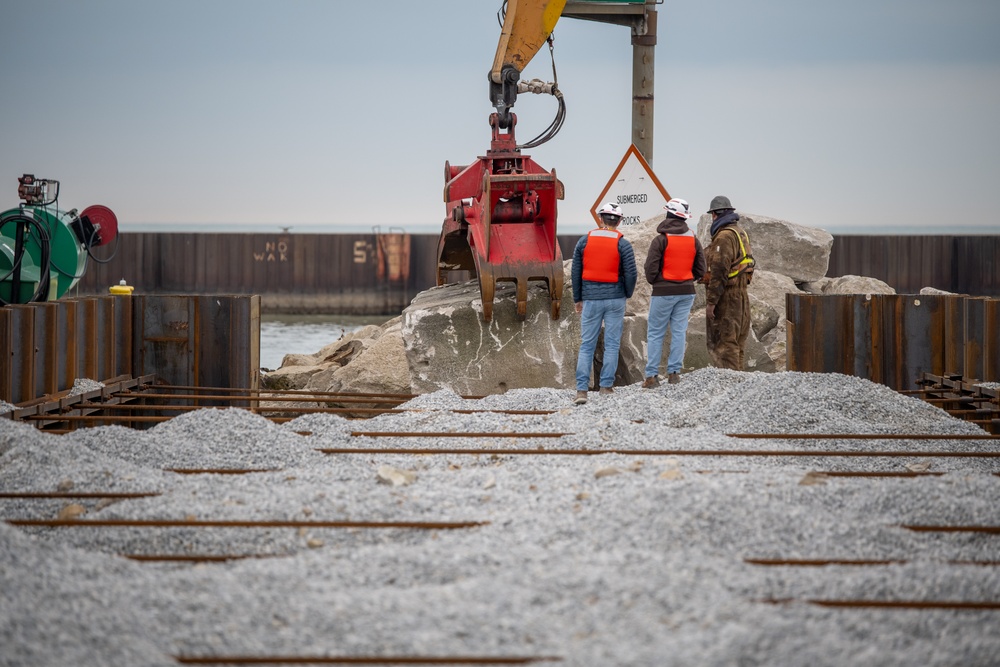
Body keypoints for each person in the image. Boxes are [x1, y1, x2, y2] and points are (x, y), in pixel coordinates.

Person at [571, 202, 637, 405]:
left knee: (586, 345)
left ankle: (582, 390)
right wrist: (626, 293)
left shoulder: (584, 241)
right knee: (612, 344)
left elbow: (576, 272)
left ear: (600, 219)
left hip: (591, 299)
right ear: (619, 220)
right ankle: (606, 387)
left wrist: (578, 298)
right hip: (615, 299)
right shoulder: (623, 244)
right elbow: (631, 273)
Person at [642, 198, 706, 387]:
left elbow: (650, 269)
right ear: (684, 217)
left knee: (655, 333)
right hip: (687, 291)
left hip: (663, 291)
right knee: (679, 332)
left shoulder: (661, 239)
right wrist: (687, 279)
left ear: (668, 214)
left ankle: (652, 376)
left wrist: (658, 281)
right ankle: (674, 373)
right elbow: (701, 269)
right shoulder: (693, 239)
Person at [703, 195, 755, 370]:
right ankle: (739, 386)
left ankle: (730, 387)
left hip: (728, 298)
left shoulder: (724, 237)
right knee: (737, 345)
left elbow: (719, 272)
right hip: (741, 297)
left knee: (725, 346)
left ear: (715, 215)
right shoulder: (740, 233)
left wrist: (711, 303)